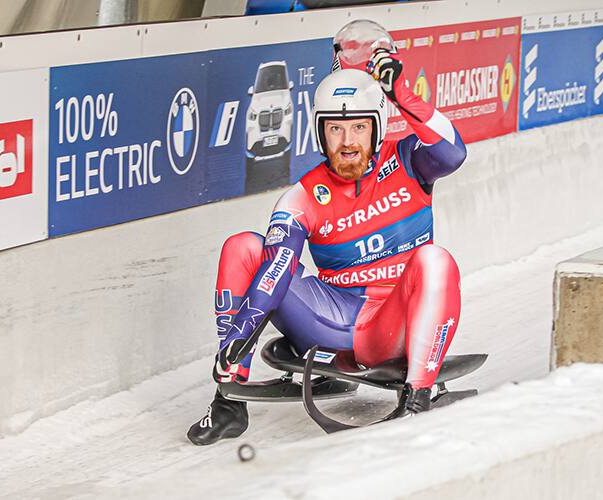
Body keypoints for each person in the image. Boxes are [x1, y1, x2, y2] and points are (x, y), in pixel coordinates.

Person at [188, 48, 467, 445]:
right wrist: (240, 332)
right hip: (331, 317)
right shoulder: (302, 196)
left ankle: (417, 398)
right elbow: (276, 268)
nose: (347, 142)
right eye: (335, 129)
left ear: (376, 128)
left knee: (436, 260)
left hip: (393, 323)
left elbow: (453, 151)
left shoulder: (408, 161)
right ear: (320, 132)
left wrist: (401, 92)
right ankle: (228, 402)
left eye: (357, 128)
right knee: (243, 247)